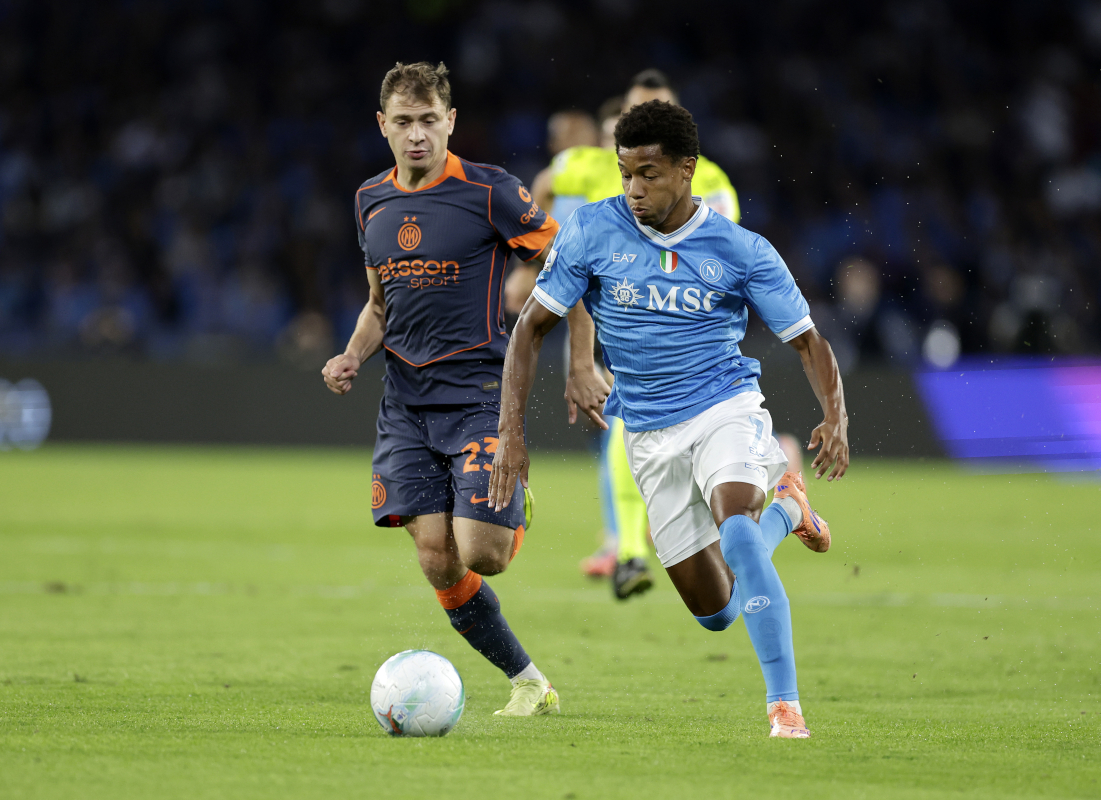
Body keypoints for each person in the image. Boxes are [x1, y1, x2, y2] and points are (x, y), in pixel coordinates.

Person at [488, 100, 850, 738]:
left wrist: (835, 417)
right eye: (626, 173)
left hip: (723, 408)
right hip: (648, 432)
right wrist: (511, 434)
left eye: (648, 174)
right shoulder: (592, 230)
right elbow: (529, 329)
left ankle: (784, 706)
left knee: (736, 529)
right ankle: (790, 508)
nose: (633, 189)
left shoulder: (740, 249)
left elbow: (807, 340)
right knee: (716, 612)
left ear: (687, 170)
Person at [322, 62, 573, 717]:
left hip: (479, 401)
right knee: (438, 560)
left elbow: (565, 261)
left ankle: (513, 505)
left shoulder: (489, 192)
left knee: (483, 557)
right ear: (382, 126)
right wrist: (350, 355)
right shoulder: (369, 201)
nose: (416, 135)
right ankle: (528, 682)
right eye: (403, 122)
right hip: (404, 407)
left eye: (429, 121)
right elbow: (379, 304)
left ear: (450, 122)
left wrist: (582, 360)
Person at [507, 70, 743, 599]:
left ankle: (761, 505)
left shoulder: (709, 181)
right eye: (635, 111)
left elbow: (730, 257)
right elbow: (541, 186)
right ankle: (631, 549)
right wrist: (531, 261)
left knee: (691, 446)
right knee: (626, 421)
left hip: (692, 339)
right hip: (621, 334)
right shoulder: (592, 165)